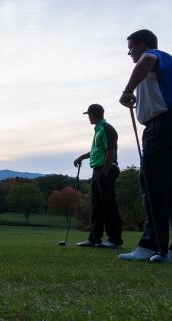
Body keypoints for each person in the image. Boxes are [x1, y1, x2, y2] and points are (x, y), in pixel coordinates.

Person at [118, 29, 172, 263]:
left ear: (143, 44)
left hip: (163, 126)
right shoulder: (167, 65)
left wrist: (126, 92)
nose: (129, 53)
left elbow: (147, 60)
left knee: (151, 181)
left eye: (131, 47)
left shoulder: (154, 55)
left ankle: (151, 244)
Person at [73, 104, 123, 248]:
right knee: (97, 205)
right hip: (98, 170)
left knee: (108, 205)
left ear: (94, 114)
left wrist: (105, 172)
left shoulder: (107, 128)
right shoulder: (99, 130)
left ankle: (114, 240)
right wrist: (81, 157)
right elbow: (96, 151)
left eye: (89, 114)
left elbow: (110, 150)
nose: (88, 117)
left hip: (106, 170)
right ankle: (94, 238)